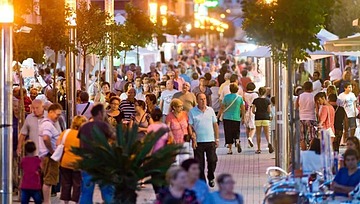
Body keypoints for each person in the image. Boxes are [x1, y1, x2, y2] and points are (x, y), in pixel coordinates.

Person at [77, 104, 115, 204]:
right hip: (101, 161)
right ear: (99, 113)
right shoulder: (103, 125)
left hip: (87, 162)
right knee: (107, 190)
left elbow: (80, 145)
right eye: (103, 113)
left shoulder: (83, 127)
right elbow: (114, 137)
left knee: (86, 192)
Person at [189, 93, 219, 187]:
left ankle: (211, 176)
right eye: (201, 99)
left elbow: (215, 124)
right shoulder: (192, 111)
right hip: (198, 142)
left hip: (210, 140)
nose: (203, 101)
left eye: (204, 99)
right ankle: (203, 182)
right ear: (197, 101)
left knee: (212, 160)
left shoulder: (210, 110)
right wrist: (192, 137)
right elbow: (190, 125)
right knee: (199, 164)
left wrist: (217, 138)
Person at [57, 115, 87, 204]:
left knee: (66, 183)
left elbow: (58, 144)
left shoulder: (66, 132)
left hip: (65, 162)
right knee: (77, 184)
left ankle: (66, 202)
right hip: (78, 163)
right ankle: (76, 202)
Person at [38, 103, 63, 204]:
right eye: (57, 114)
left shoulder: (46, 123)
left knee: (49, 180)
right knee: (48, 180)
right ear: (50, 112)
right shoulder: (48, 124)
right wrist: (52, 151)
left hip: (48, 155)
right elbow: (46, 138)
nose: (58, 116)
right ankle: (47, 202)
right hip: (50, 156)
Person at [217, 84, 245, 154]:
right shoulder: (240, 98)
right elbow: (243, 108)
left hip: (227, 117)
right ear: (237, 90)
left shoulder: (226, 97)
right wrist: (243, 117)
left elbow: (222, 107)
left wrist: (218, 116)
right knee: (236, 131)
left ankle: (230, 149)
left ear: (230, 89)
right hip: (236, 117)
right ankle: (237, 141)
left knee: (228, 133)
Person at [147, 109, 170, 194]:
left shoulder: (151, 127)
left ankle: (157, 193)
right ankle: (165, 193)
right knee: (164, 174)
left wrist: (148, 155)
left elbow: (150, 142)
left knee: (155, 175)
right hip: (164, 154)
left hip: (154, 155)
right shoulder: (165, 127)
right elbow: (169, 140)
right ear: (161, 117)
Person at [166, 99, 193, 164]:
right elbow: (167, 128)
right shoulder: (169, 116)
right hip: (175, 142)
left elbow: (189, 125)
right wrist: (171, 137)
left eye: (181, 106)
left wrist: (192, 135)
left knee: (185, 160)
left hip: (185, 140)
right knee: (176, 161)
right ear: (174, 107)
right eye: (179, 106)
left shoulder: (185, 114)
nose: (181, 108)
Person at [252, 87, 274, 154]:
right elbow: (269, 110)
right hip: (265, 117)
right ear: (265, 92)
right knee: (267, 133)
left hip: (258, 117)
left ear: (259, 92)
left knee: (258, 134)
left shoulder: (255, 100)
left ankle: (258, 149)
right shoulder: (267, 100)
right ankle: (269, 143)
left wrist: (256, 113)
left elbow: (253, 110)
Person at [296, 81, 317, 150]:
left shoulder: (300, 96)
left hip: (302, 118)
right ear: (311, 88)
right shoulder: (314, 96)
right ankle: (311, 152)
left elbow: (296, 107)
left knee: (302, 138)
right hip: (311, 118)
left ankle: (304, 153)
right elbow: (317, 108)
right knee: (312, 137)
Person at [243, 82, 258, 148]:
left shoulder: (244, 94)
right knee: (253, 127)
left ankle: (248, 140)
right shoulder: (255, 95)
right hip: (252, 110)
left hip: (246, 111)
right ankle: (250, 138)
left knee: (247, 127)